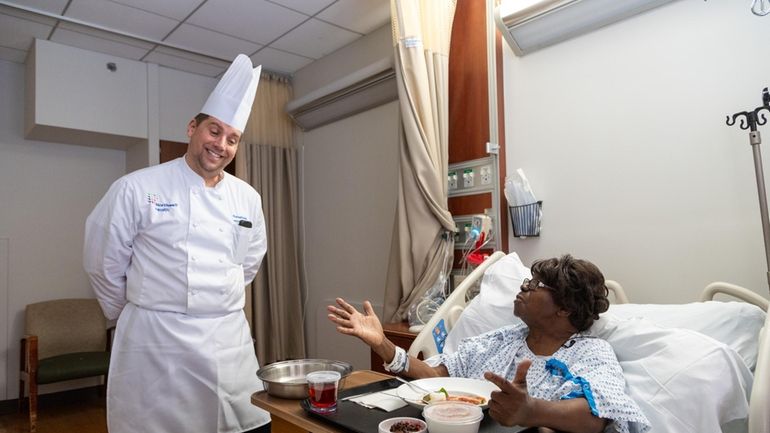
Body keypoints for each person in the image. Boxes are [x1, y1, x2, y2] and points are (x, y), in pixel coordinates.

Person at [84, 55, 271, 433]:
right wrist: (143, 310)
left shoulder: (247, 197)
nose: (221, 145)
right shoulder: (136, 188)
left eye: (232, 138)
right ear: (192, 128)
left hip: (227, 341)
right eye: (214, 131)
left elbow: (248, 263)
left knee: (245, 424)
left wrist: (217, 300)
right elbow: (102, 264)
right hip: (157, 344)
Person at [327, 254, 650, 433]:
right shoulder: (499, 340)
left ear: (565, 307)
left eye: (537, 285)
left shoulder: (590, 352)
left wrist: (532, 411)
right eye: (527, 280)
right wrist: (382, 344)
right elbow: (439, 377)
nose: (525, 286)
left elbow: (597, 415)